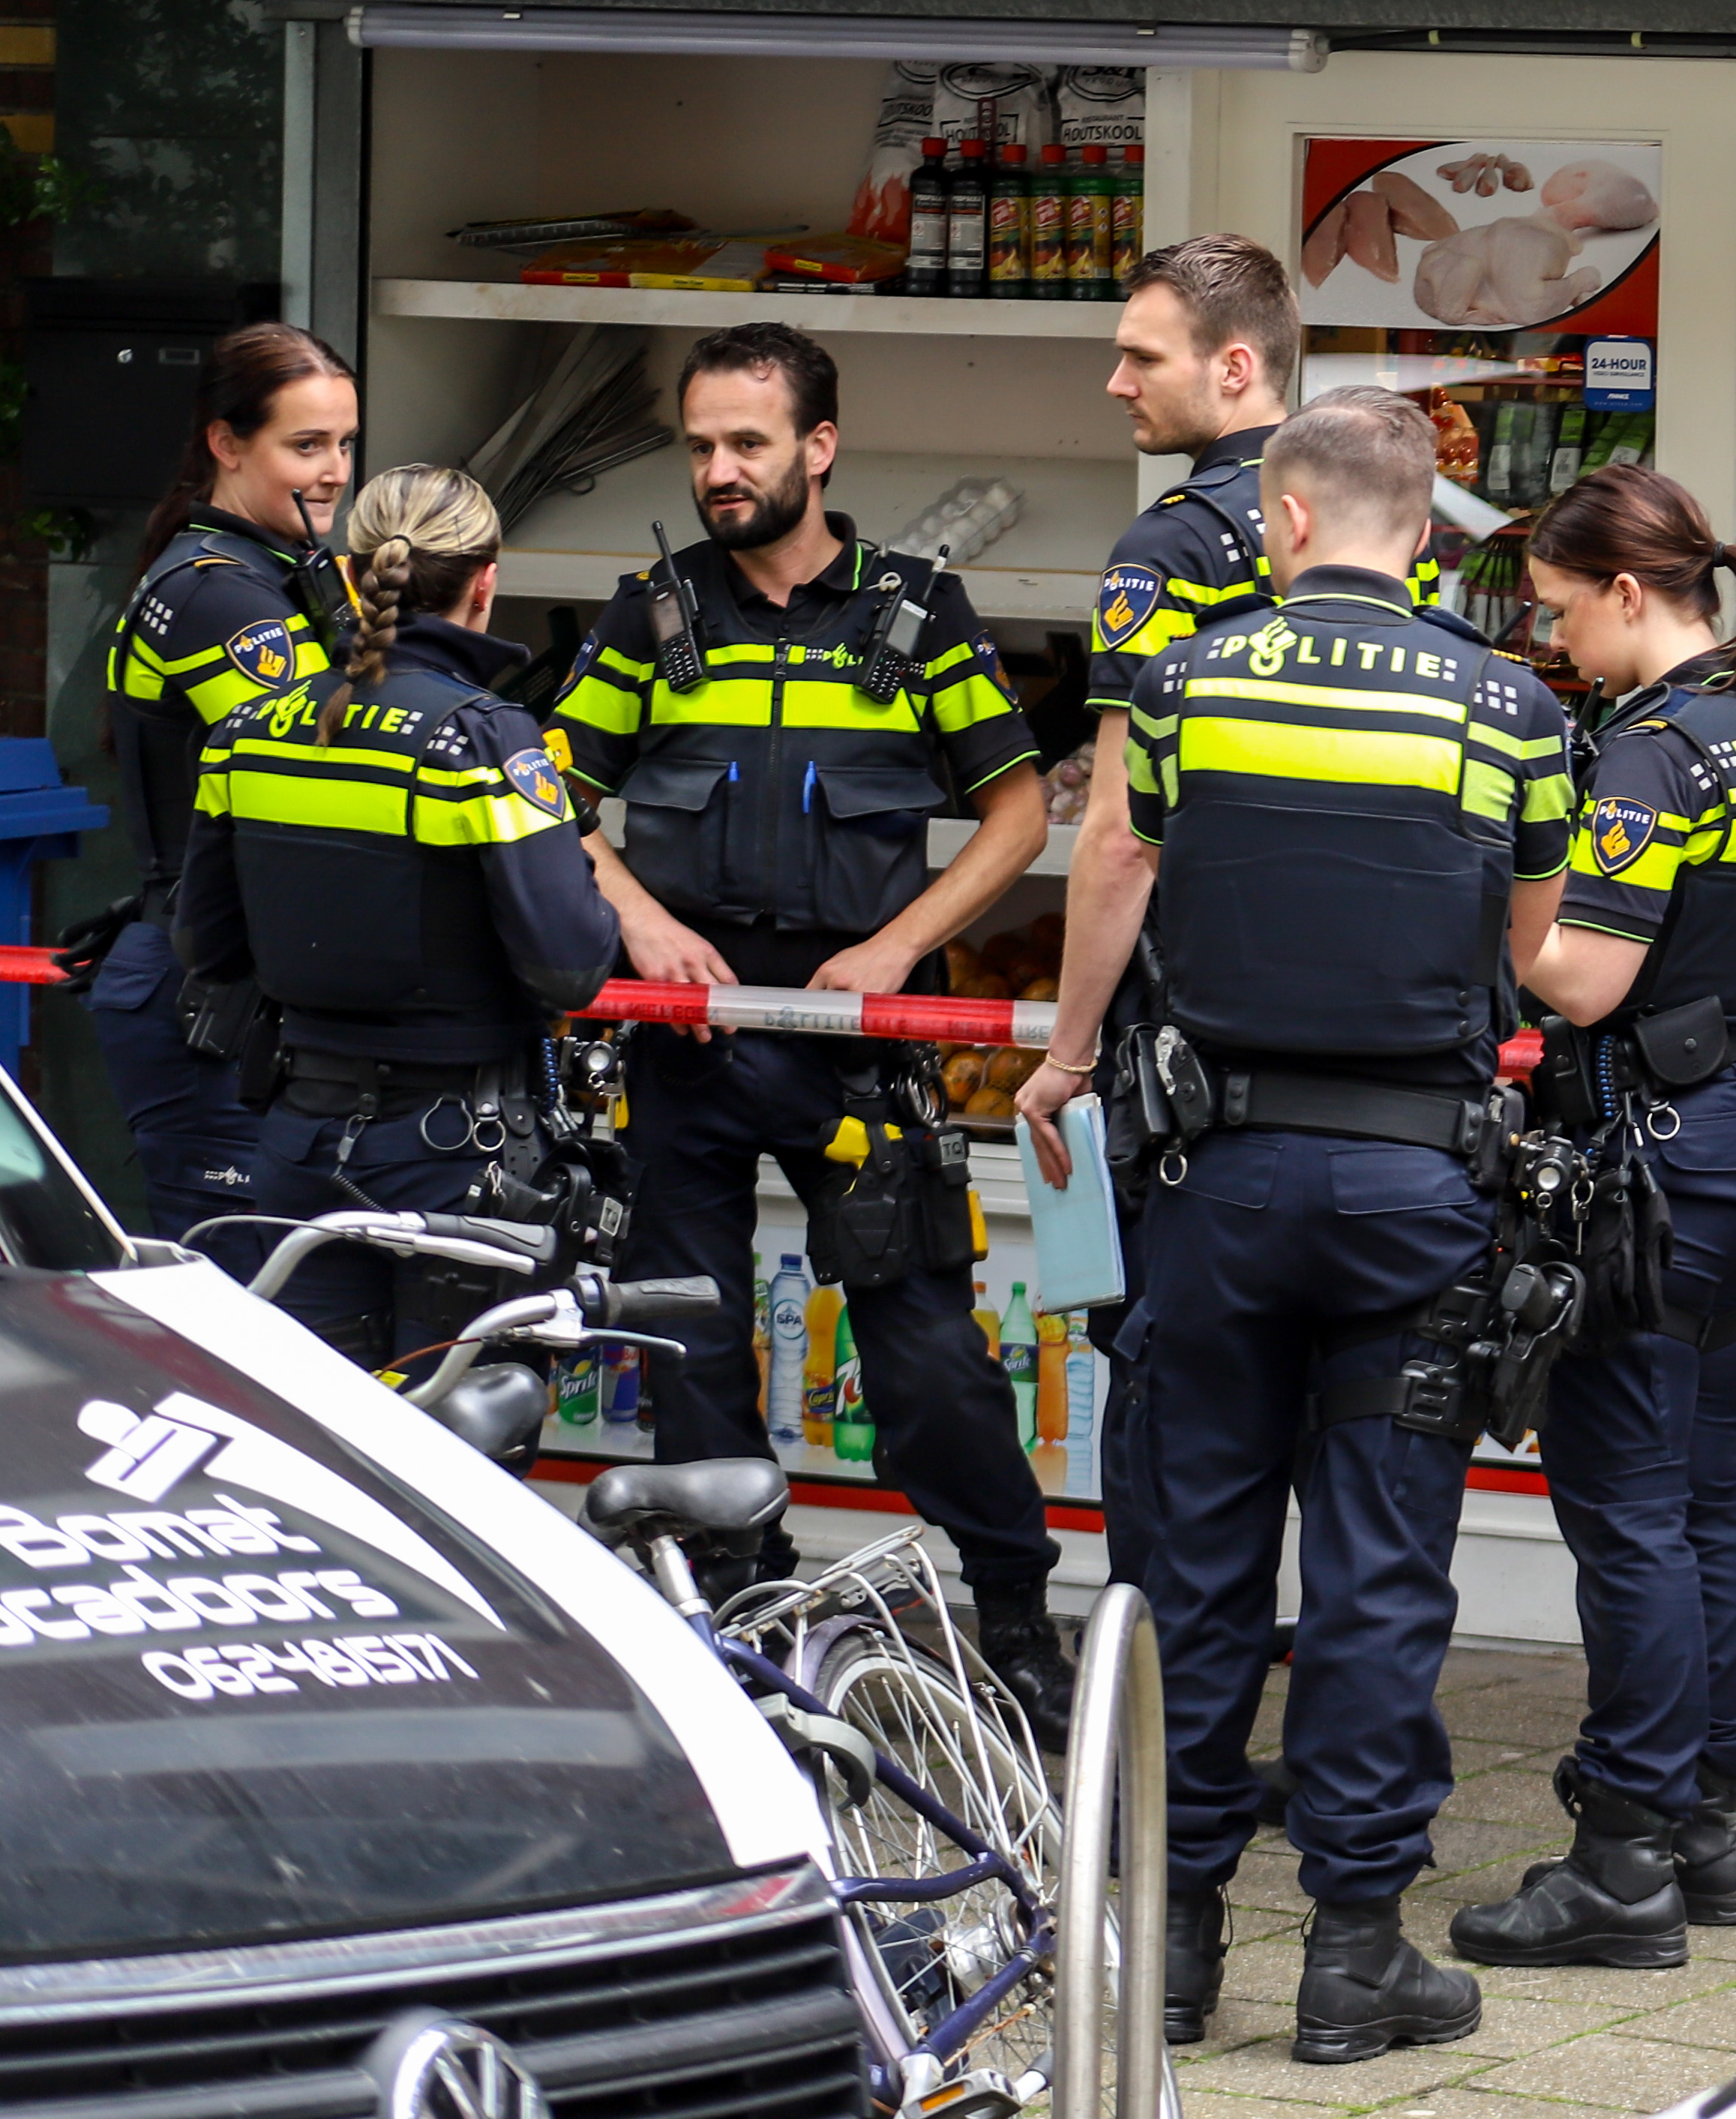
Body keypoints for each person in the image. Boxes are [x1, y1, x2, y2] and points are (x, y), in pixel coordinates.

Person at [1015, 387, 1575, 2070]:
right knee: (1379, 1577)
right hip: (1414, 1195)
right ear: (1423, 525)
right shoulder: (1510, 705)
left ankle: (1176, 1948)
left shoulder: (1189, 682)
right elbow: (1528, 948)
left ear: (1287, 517)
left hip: (1220, 1187)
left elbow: (1115, 863)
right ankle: (1354, 1953)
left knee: (1191, 1566)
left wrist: (1066, 1055)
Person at [551, 322, 1074, 1742]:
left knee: (930, 1360)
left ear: (819, 448)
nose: (720, 470)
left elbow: (1019, 809)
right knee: (691, 1347)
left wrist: (899, 949)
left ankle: (1015, 1622)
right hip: (686, 1038)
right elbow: (545, 797)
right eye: (702, 446)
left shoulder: (915, 613)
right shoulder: (653, 613)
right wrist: (639, 923)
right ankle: (741, 1612)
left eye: (749, 444)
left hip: (858, 1043)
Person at [1445, 465, 1736, 1973]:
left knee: (1627, 1518)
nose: (1555, 643)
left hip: (1650, 1164)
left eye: (1560, 611)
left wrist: (1498, 885)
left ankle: (1620, 1856)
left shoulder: (1654, 755)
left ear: (1624, 591)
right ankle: (1702, 1823)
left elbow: (1584, 980)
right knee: (1702, 1495)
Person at [178, 465, 616, 1367]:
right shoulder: (486, 737)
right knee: (468, 1422)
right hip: (459, 1154)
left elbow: (206, 944)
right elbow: (572, 964)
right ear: (486, 580)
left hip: (300, 1141)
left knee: (327, 1429)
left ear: (351, 574)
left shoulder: (248, 729)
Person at [1067, 231, 1303, 1601]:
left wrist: (1068, 1050)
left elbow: (1118, 835)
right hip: (1356, 1055)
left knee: (1168, 1396)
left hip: (1185, 1057)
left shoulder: (1170, 547)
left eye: (1140, 357)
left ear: (1233, 366)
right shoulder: (1370, 533)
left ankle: (1160, 1701)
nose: (1116, 383)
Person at [92, 322, 359, 1253]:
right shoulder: (221, 592)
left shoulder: (274, 571)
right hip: (207, 992)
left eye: (344, 443)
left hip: (229, 971)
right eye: (306, 444)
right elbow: (326, 779)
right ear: (226, 441)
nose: (334, 471)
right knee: (244, 1295)